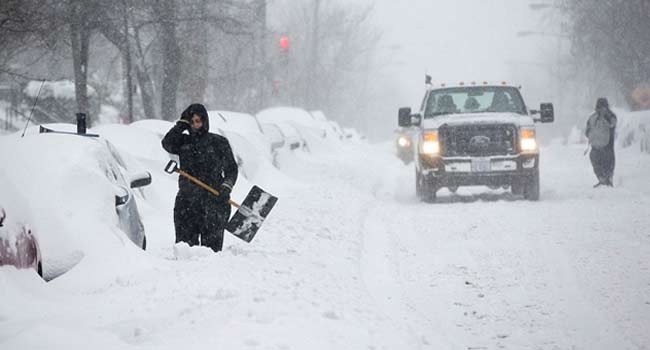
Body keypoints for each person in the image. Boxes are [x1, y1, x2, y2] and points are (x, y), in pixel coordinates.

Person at [162, 103, 238, 252]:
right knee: (186, 253)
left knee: (211, 255)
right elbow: (167, 143)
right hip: (187, 204)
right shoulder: (183, 142)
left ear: (205, 121)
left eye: (198, 121)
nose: (195, 125)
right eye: (191, 122)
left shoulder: (219, 142)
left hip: (214, 203)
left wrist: (226, 187)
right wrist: (181, 125)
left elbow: (231, 169)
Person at [585, 97, 617, 187]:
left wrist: (604, 116)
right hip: (601, 147)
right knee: (601, 163)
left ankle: (605, 179)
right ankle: (604, 179)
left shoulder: (600, 117)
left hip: (603, 147)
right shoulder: (596, 117)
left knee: (602, 162)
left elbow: (587, 132)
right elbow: (587, 131)